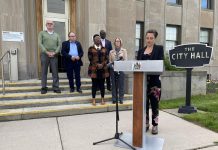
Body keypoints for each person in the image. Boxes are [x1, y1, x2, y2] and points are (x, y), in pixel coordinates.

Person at [137, 29, 164, 135]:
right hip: (142, 82)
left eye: (151, 38)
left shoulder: (159, 49)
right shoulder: (140, 51)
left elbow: (160, 63)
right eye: (147, 38)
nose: (149, 40)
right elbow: (137, 65)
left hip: (154, 82)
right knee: (144, 104)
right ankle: (146, 124)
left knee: (154, 104)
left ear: (154, 38)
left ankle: (155, 125)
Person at [38, 20, 61, 94]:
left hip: (54, 55)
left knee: (55, 72)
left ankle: (56, 87)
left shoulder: (56, 35)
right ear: (46, 25)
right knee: (44, 72)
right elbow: (40, 43)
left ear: (53, 25)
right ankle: (44, 87)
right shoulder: (42, 33)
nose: (50, 25)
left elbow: (59, 45)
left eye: (51, 24)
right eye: (48, 23)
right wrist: (46, 51)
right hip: (45, 54)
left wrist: (55, 52)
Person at [88, 34, 109, 106]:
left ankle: (102, 99)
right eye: (96, 38)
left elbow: (107, 58)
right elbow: (90, 59)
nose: (98, 39)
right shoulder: (91, 48)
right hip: (94, 69)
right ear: (93, 40)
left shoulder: (104, 48)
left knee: (102, 85)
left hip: (103, 69)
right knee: (94, 85)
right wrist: (97, 65)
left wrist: (102, 64)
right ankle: (93, 99)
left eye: (99, 38)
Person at [109, 38, 127, 104]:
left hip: (121, 70)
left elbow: (125, 61)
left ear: (120, 42)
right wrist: (112, 66)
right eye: (116, 41)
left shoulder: (124, 51)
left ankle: (121, 98)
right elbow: (110, 62)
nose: (117, 42)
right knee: (113, 85)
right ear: (114, 42)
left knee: (121, 85)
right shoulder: (111, 52)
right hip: (113, 70)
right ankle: (114, 98)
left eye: (118, 41)